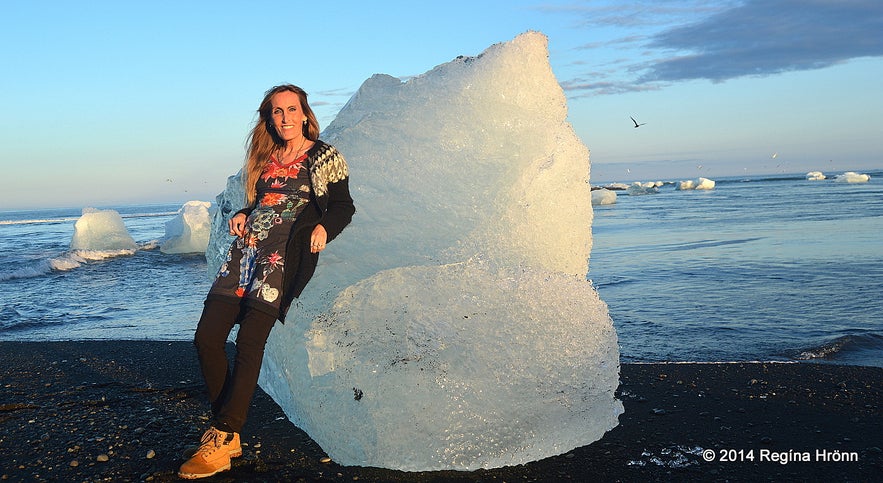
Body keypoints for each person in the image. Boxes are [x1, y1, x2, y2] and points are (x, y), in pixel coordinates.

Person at [178, 84, 355, 479]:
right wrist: (243, 211)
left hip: (281, 260)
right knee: (207, 338)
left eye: (292, 109)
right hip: (244, 255)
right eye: (277, 111)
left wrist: (325, 227)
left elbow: (344, 204)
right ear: (268, 118)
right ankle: (229, 429)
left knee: (249, 342)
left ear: (306, 114)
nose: (286, 117)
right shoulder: (266, 156)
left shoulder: (324, 156)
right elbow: (265, 201)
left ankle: (223, 435)